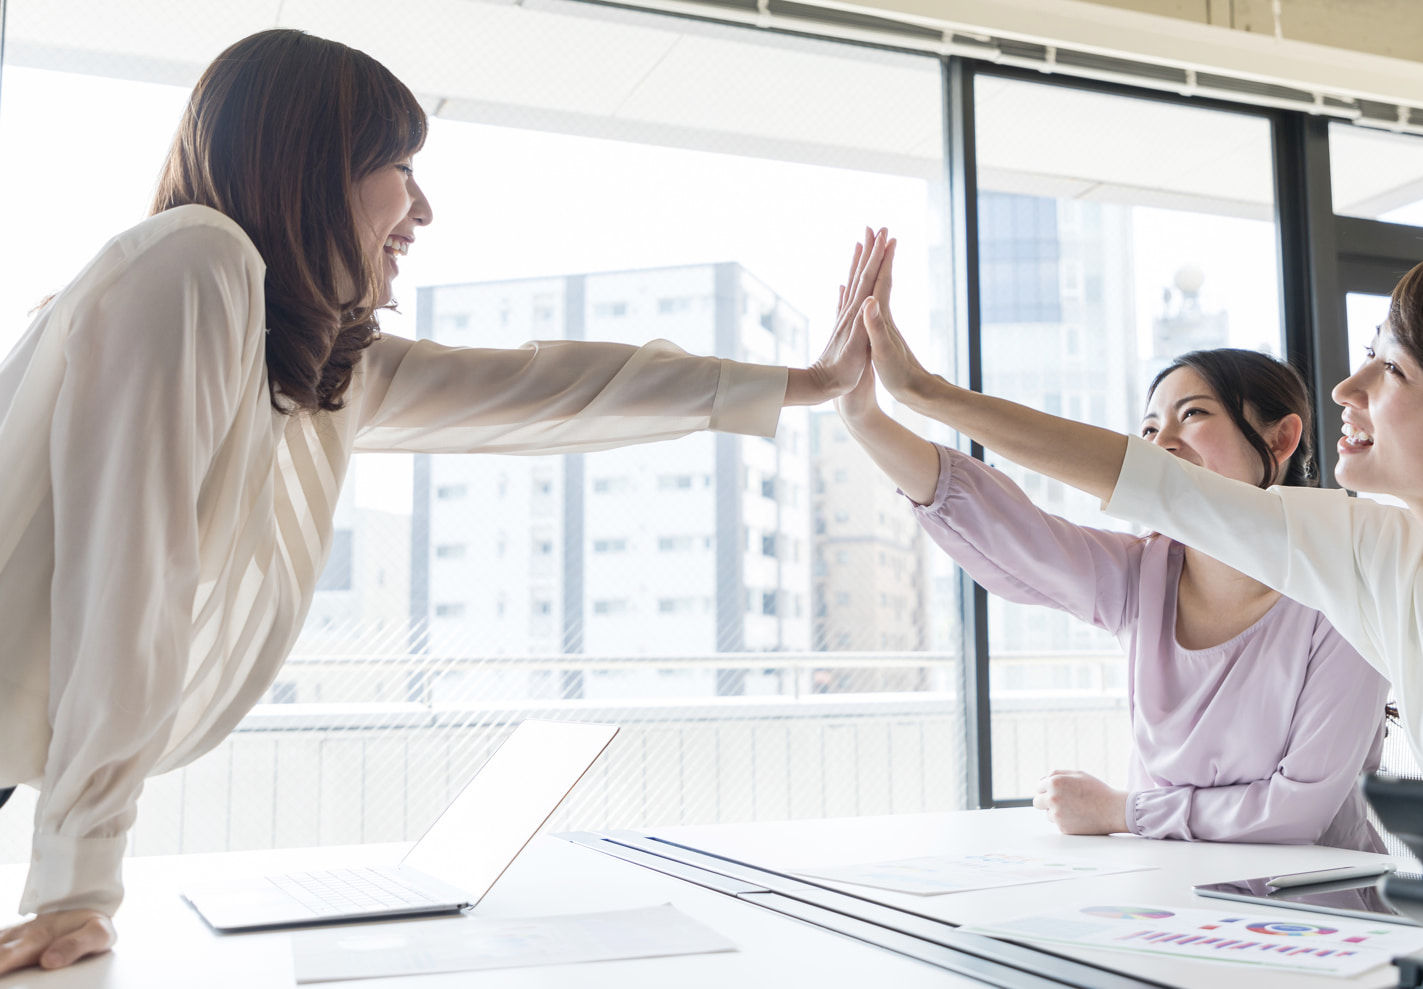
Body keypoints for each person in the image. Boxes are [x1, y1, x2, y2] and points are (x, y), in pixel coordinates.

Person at [0, 29, 889, 974]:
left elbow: (549, 388)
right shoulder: (194, 262)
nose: (422, 207)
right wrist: (75, 890)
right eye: (397, 166)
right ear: (306, 167)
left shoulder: (308, 355)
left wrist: (808, 380)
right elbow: (128, 582)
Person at [856, 244, 1423, 850]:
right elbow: (1147, 484)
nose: (1346, 387)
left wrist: (1126, 809)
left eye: (1395, 369)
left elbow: (1297, 812)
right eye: (1372, 354)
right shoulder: (1372, 556)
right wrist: (923, 393)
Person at [835, 245, 1389, 851]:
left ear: (1281, 438)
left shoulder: (1344, 585)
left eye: (1193, 414)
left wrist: (1124, 811)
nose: (1161, 443)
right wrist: (866, 418)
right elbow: (1001, 524)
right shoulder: (1143, 575)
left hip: (1317, 919)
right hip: (1173, 901)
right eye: (1149, 428)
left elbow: (1294, 815)